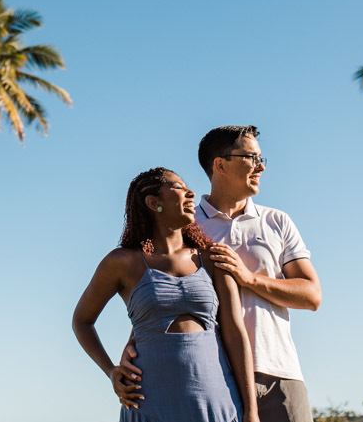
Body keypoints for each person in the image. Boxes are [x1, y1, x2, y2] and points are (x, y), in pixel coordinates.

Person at [116, 127, 321, 422]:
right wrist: (133, 344)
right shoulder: (183, 222)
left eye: (262, 158)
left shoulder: (278, 221)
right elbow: (160, 290)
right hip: (210, 377)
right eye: (251, 157)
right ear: (220, 164)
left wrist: (248, 278)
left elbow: (312, 295)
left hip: (278, 370)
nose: (260, 166)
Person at [73, 167, 259, 422]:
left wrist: (251, 410)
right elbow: (82, 321)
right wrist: (111, 371)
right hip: (149, 400)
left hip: (215, 398)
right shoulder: (122, 262)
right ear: (153, 202)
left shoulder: (213, 258)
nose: (191, 192)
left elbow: (235, 332)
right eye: (179, 187)